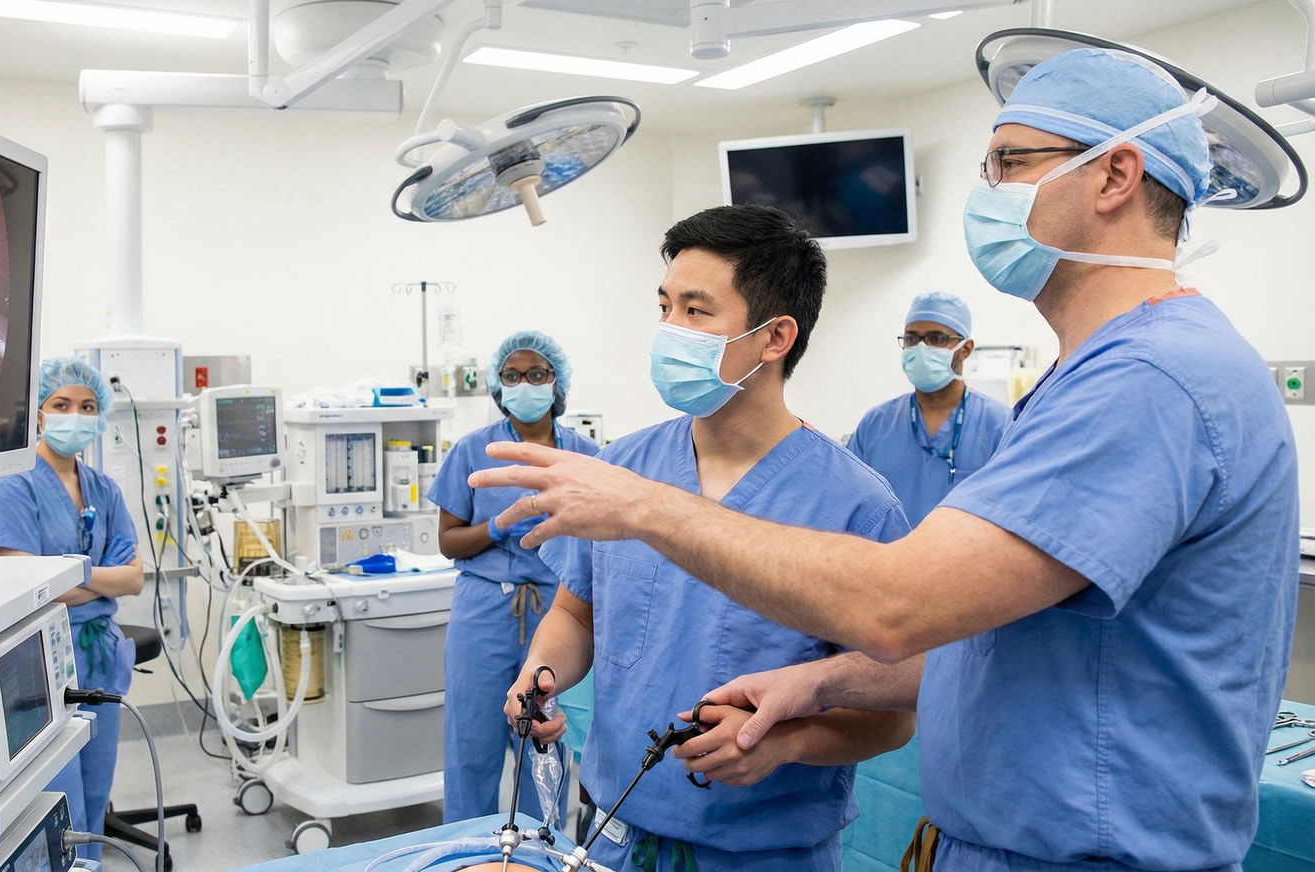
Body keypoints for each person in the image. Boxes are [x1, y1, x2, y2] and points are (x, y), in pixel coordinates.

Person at [471, 48, 1298, 872]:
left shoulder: (1148, 380)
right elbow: (985, 637)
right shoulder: (1096, 376)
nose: (987, 192)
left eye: (1009, 163)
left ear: (1115, 177)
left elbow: (897, 612)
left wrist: (644, 508)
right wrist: (817, 685)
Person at [506, 206, 915, 872]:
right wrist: (540, 677)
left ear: (775, 336)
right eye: (664, 306)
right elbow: (575, 612)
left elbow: (895, 711)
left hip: (763, 850)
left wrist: (788, 742)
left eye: (696, 312)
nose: (670, 329)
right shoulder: (623, 469)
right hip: (615, 828)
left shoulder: (856, 505)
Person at [428, 331, 600, 823]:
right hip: (484, 608)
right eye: (512, 375)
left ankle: (538, 848)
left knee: (545, 742)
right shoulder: (472, 449)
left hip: (560, 608)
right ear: (497, 386)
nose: (525, 384)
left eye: (537, 375)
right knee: (471, 742)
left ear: (556, 383)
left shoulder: (584, 455)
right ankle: (466, 850)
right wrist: (497, 526)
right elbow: (449, 541)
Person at [0, 356, 143, 855]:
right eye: (62, 404)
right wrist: (98, 579)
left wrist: (69, 576)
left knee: (96, 792)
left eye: (88, 405)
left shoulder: (103, 488)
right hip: (42, 660)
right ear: (38, 412)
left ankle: (91, 865)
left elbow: (134, 578)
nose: (76, 414)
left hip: (100, 655)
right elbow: (29, 587)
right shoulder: (12, 485)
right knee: (57, 798)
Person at [847, 291, 1008, 522]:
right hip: (888, 555)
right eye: (912, 339)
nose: (922, 348)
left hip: (967, 556)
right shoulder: (877, 423)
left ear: (965, 349)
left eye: (937, 338)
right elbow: (851, 499)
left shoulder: (998, 424)